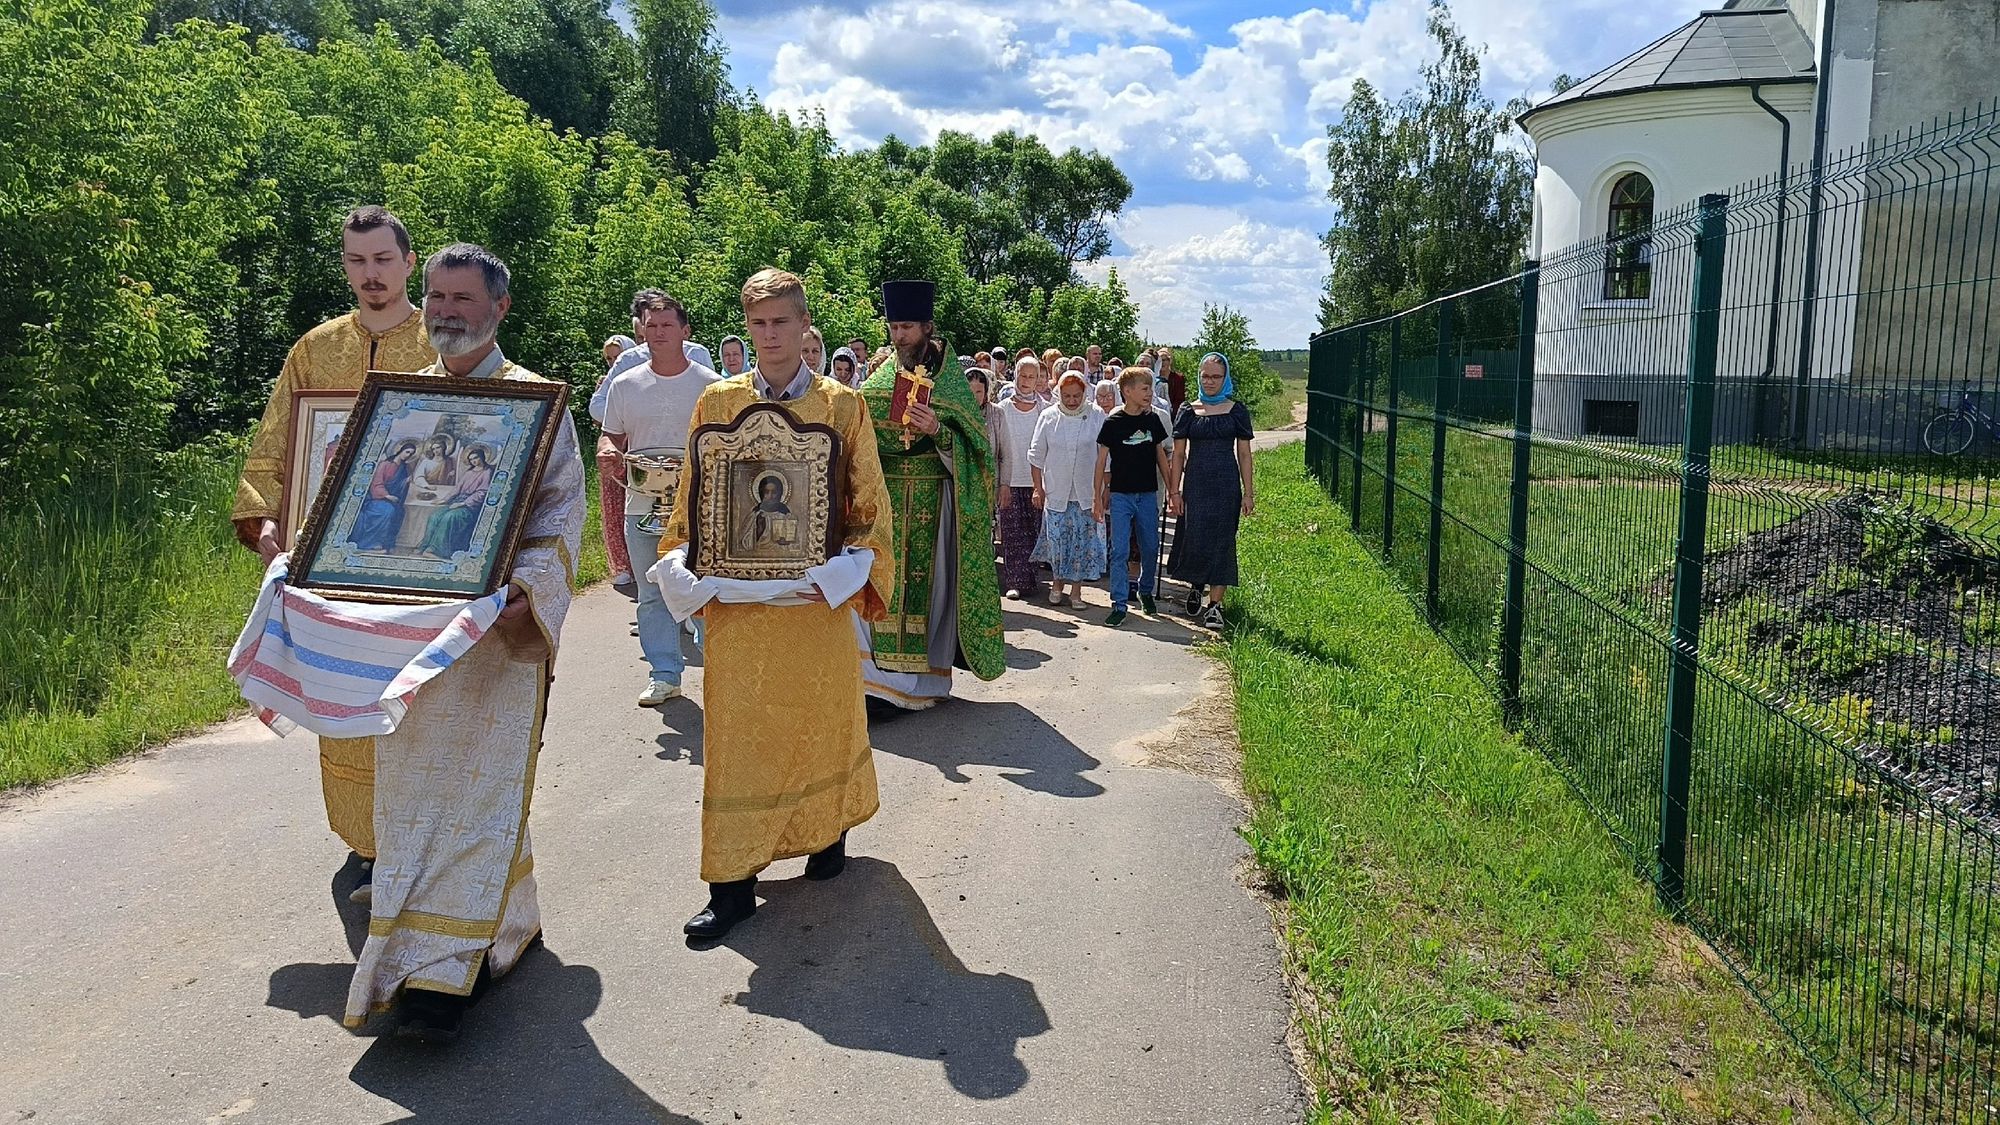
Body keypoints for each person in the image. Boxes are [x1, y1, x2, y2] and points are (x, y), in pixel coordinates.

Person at [348, 241, 586, 1038]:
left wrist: (527, 594)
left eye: (463, 298)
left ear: (498, 307)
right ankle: (504, 924)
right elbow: (362, 514)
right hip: (409, 641)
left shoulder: (534, 404)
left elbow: (560, 517)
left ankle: (442, 976)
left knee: (479, 791)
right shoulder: (401, 404)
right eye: (437, 297)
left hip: (488, 642)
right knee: (412, 797)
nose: (446, 312)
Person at [658, 267, 895, 940]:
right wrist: (684, 557)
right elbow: (694, 500)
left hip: (813, 606)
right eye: (758, 324)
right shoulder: (717, 403)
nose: (770, 335)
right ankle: (730, 884)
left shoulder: (841, 406)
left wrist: (844, 570)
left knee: (820, 724)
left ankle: (826, 834)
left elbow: (869, 508)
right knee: (737, 740)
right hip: (739, 611)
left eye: (781, 322)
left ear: (804, 324)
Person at [232, 206, 432, 895]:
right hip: (328, 564)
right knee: (343, 699)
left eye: (382, 259)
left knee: (413, 696)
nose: (370, 274)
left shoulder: (440, 340)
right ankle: (365, 841)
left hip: (416, 564)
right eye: (357, 261)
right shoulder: (316, 348)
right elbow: (277, 440)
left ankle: (418, 832)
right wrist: (264, 519)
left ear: (409, 262)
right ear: (345, 266)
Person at [857, 279, 1005, 711]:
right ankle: (880, 684)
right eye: (893, 327)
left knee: (930, 589)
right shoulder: (881, 378)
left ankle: (924, 682)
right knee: (884, 587)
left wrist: (938, 430)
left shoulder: (952, 381)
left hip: (934, 501)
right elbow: (859, 435)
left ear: (926, 327)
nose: (899, 336)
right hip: (888, 502)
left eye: (906, 327)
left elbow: (979, 452)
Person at [597, 292, 720, 706]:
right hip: (642, 502)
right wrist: (607, 451)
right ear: (641, 332)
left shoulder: (711, 386)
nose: (659, 333)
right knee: (651, 593)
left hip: (701, 505)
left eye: (667, 325)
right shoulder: (625, 384)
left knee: (704, 586)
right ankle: (664, 674)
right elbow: (611, 434)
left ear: (685, 331)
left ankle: (719, 669)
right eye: (651, 326)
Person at [1167, 352, 1255, 631]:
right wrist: (1174, 492)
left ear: (1225, 378)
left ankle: (1215, 606)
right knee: (1195, 538)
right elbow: (1178, 454)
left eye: (1216, 376)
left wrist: (1248, 493)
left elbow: (1244, 453)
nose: (1210, 381)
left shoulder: (1237, 410)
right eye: (1205, 376)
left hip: (1226, 485)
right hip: (1196, 485)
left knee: (1223, 541)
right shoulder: (1187, 410)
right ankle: (1196, 586)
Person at [1094, 368, 1173, 626]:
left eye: (1150, 388)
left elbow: (1161, 456)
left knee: (1150, 547)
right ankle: (1119, 604)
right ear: (1127, 392)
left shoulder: (1153, 420)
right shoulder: (1113, 422)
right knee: (1119, 550)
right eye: (1144, 388)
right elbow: (1101, 461)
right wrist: (1097, 497)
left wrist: (1172, 491)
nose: (1150, 393)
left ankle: (1145, 590)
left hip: (1147, 495)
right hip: (1121, 496)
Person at [1029, 371, 1107, 608]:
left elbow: (1105, 457)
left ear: (1084, 393)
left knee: (1081, 542)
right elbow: (1036, 456)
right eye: (1067, 396)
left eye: (1076, 396)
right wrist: (1037, 488)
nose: (1072, 401)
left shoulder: (1096, 415)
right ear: (1059, 394)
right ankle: (1057, 584)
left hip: (1086, 492)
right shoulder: (1048, 416)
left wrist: (1102, 493)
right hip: (1057, 491)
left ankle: (1076, 591)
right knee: (1057, 541)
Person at [995, 356, 1046, 600]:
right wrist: (1000, 481)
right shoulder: (1002, 408)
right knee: (1012, 533)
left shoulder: (1044, 409)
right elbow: (997, 445)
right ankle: (1013, 581)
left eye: (1031, 377)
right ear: (1015, 376)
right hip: (1010, 479)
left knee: (1034, 531)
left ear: (1038, 380)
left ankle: (1032, 580)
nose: (1026, 381)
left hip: (1036, 481)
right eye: (1022, 375)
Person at [595, 334, 638, 586]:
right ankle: (622, 563)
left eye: (617, 357)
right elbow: (598, 418)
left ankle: (641, 561)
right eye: (609, 359)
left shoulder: (639, 381)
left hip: (635, 448)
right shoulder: (606, 385)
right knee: (614, 507)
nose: (613, 363)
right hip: (614, 449)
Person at [419, 444, 493, 559]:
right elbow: (457, 488)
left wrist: (463, 503)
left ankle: (434, 550)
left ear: (482, 457)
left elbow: (482, 493)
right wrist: (444, 500)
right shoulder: (469, 472)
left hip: (471, 506)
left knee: (449, 517)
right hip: (457, 502)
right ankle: (424, 547)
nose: (473, 461)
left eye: (475, 458)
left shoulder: (487, 472)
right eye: (471, 459)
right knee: (435, 516)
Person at [351, 439, 419, 551]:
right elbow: (377, 484)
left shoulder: (405, 468)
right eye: (407, 452)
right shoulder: (385, 464)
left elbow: (399, 486)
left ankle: (387, 543)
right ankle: (372, 543)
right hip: (376, 498)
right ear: (401, 450)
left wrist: (405, 482)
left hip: (392, 499)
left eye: (411, 454)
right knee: (387, 511)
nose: (408, 455)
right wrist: (387, 496)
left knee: (399, 511)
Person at [1157, 348, 1187, 414]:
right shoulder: (1154, 378)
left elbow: (1180, 399)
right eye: (1159, 361)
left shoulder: (1178, 378)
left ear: (1169, 361)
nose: (1161, 363)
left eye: (1163, 360)